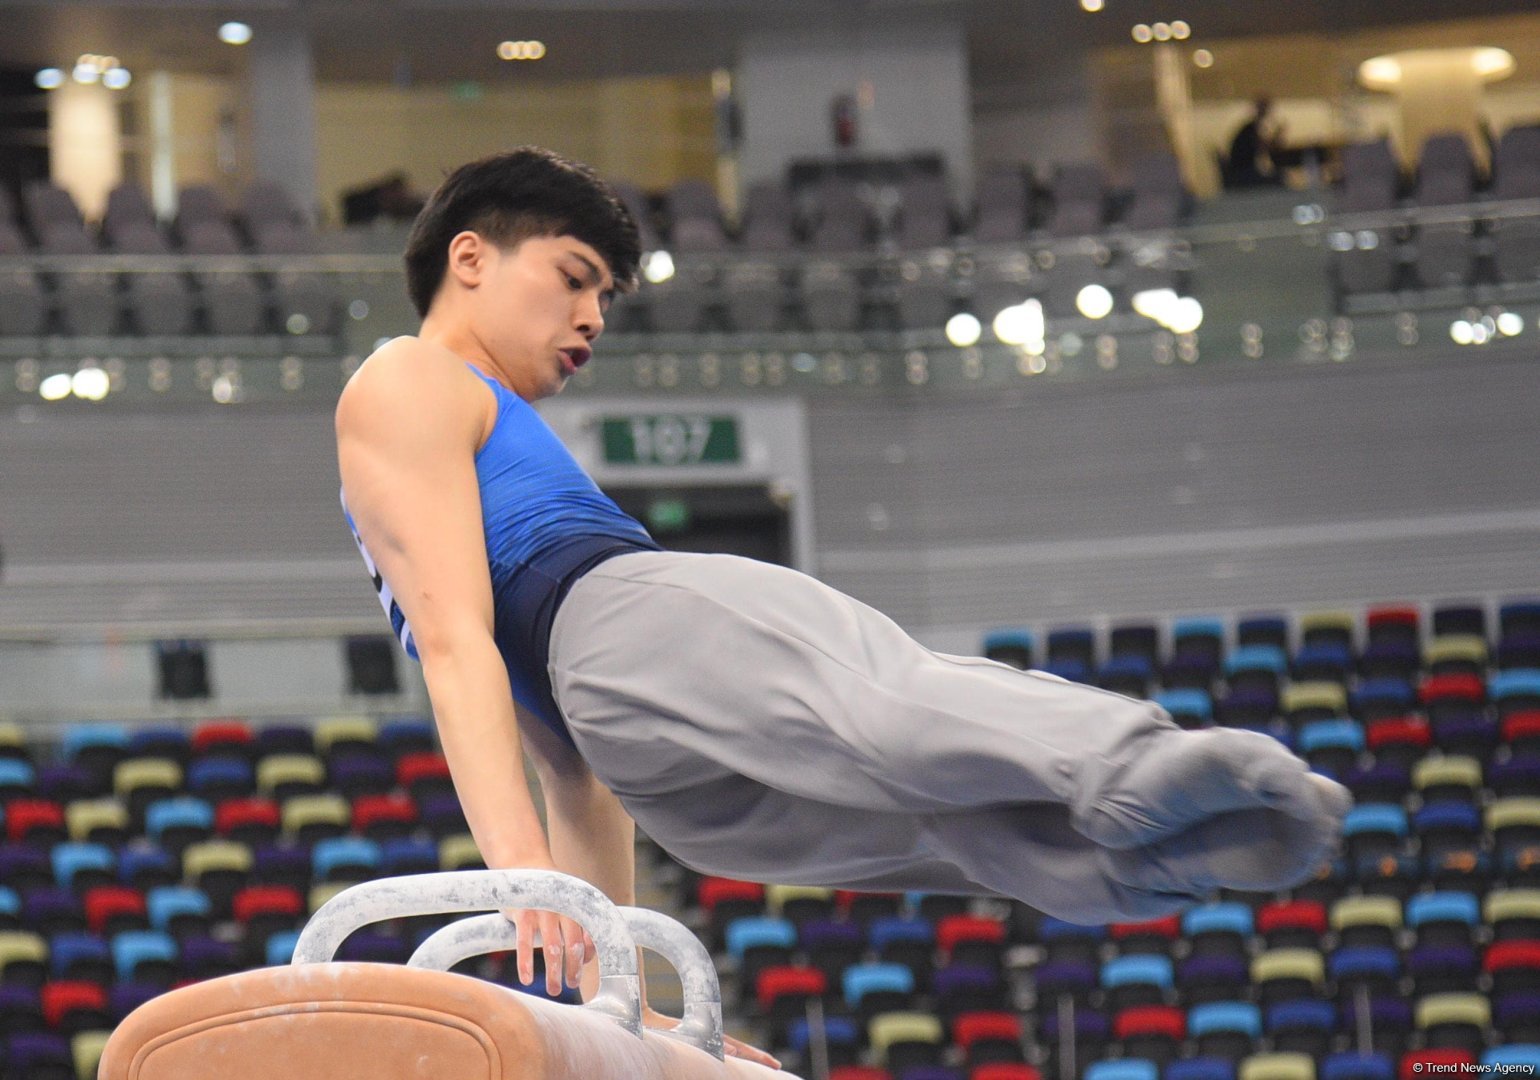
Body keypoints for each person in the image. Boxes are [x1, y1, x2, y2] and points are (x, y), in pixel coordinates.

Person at [334, 147, 1351, 1066]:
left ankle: (1154, 857)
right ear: (470, 259)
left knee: (935, 810)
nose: (593, 317)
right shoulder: (412, 375)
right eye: (573, 278)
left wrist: (619, 1004)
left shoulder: (419, 450)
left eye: (603, 294)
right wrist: (529, 881)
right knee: (890, 705)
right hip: (618, 638)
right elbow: (463, 647)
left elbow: (568, 769)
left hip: (627, 739)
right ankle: (1138, 779)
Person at [1226, 97, 1284, 188]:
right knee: (1279, 179)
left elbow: (1264, 147)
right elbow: (1264, 147)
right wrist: (1277, 136)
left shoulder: (1250, 128)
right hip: (1243, 174)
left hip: (1243, 172)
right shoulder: (1250, 129)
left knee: (1278, 177)